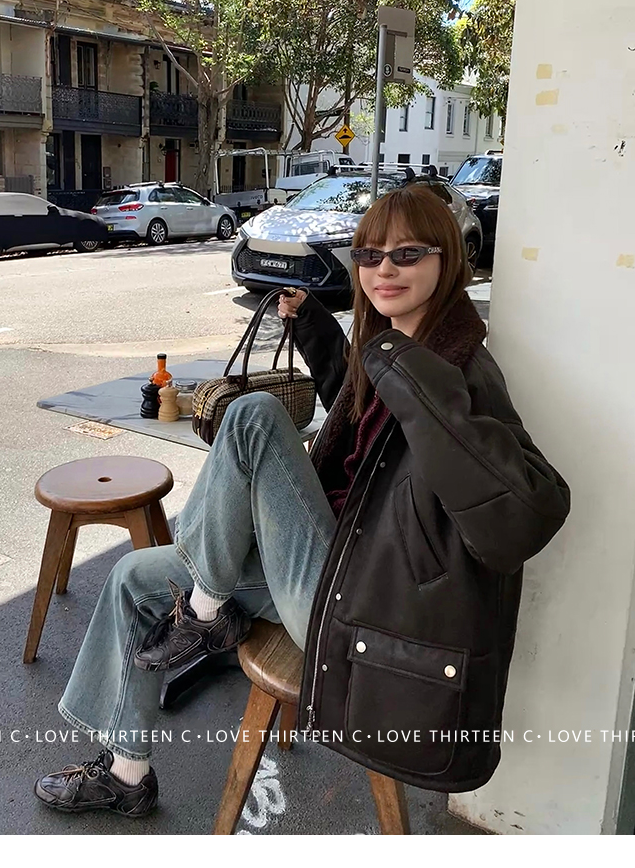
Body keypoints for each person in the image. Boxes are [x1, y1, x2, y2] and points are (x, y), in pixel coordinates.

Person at [33, 184, 570, 819]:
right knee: (132, 577)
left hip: (362, 602)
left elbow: (524, 515)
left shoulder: (460, 371)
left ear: (446, 259)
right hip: (327, 557)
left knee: (255, 416)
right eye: (369, 255)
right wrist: (313, 323)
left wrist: (414, 378)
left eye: (407, 253)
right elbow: (359, 422)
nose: (384, 269)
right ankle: (128, 772)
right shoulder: (393, 347)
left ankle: (205, 610)